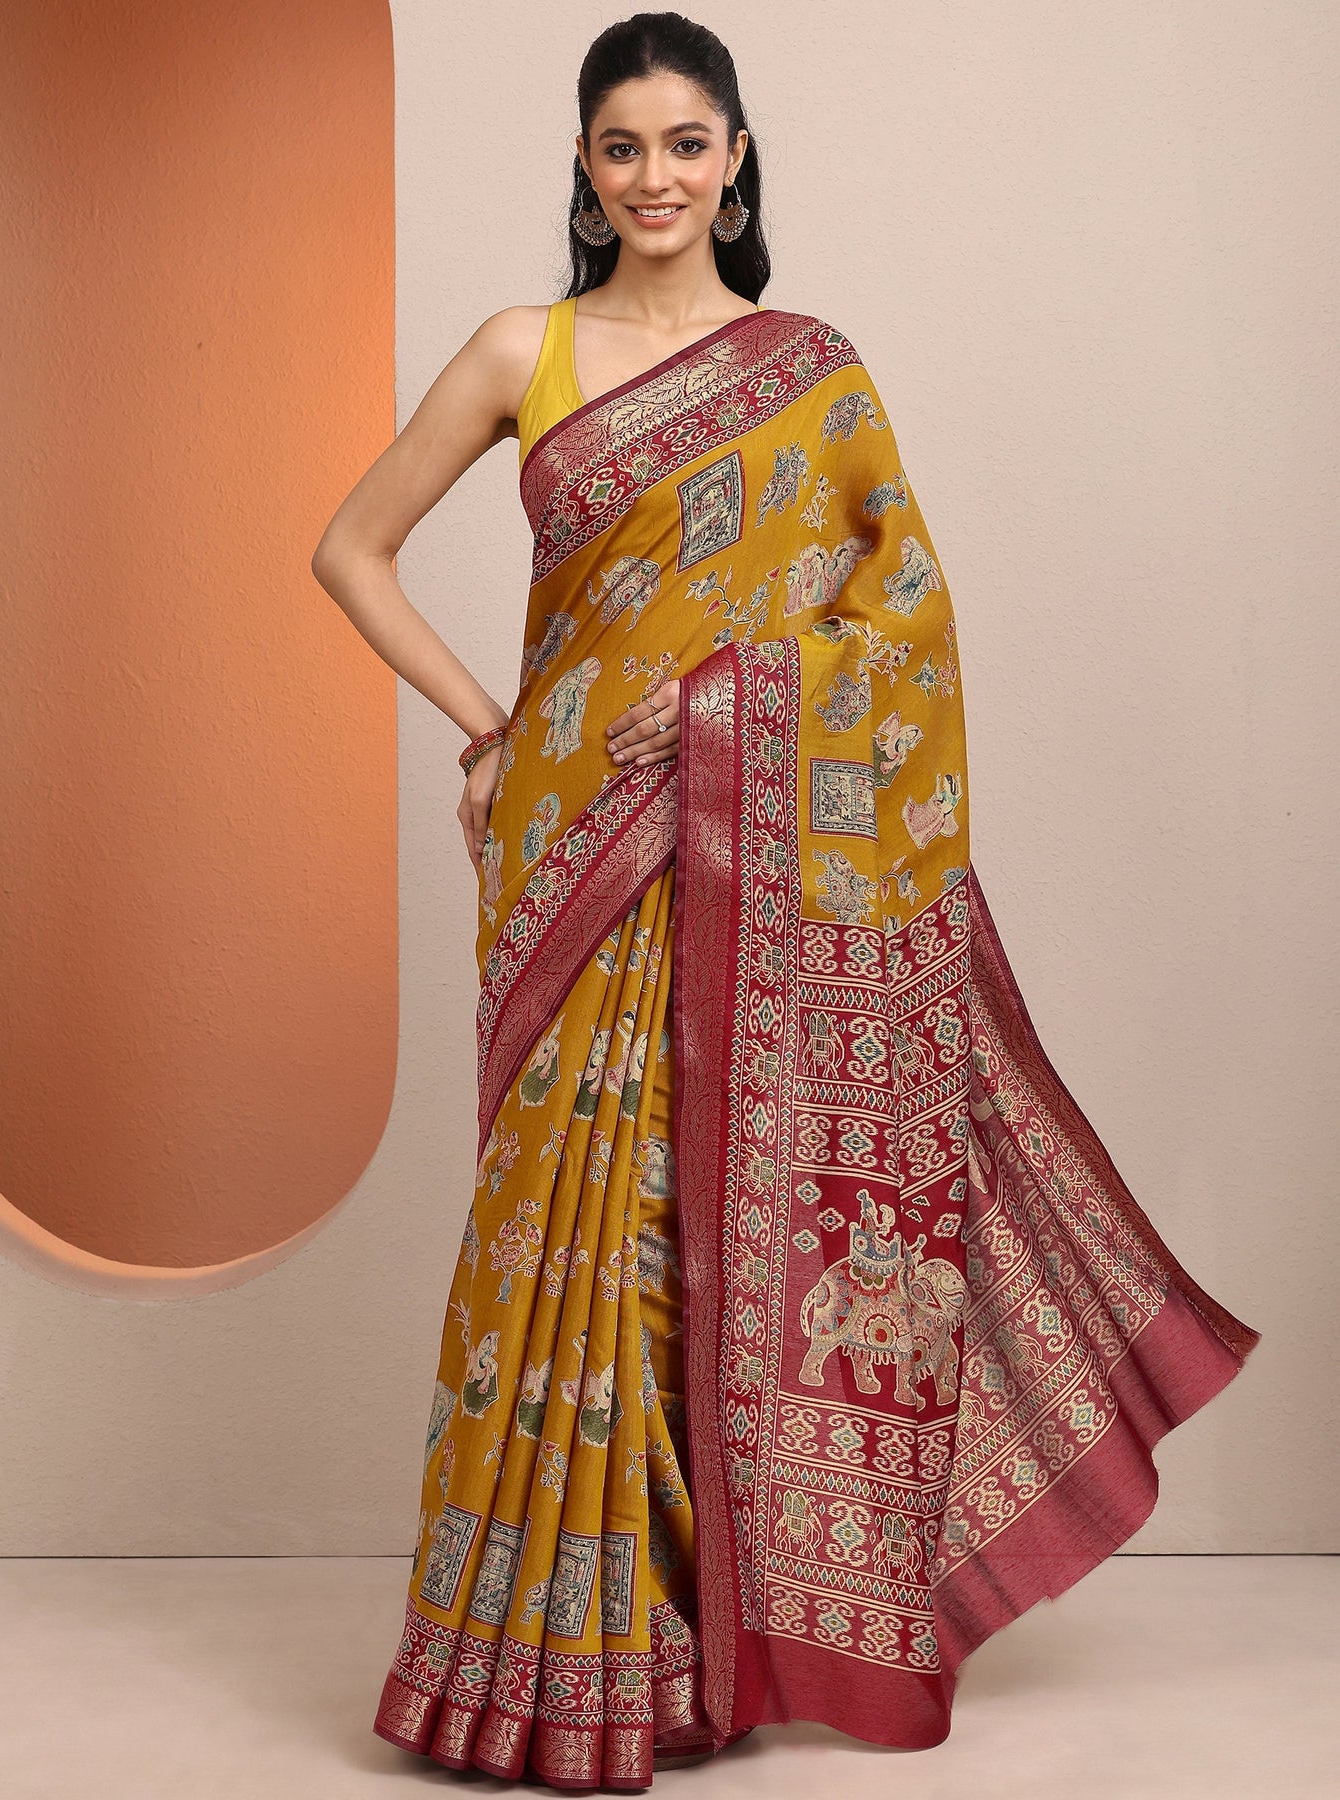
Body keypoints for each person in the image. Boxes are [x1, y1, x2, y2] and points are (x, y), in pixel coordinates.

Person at [311, 12, 1260, 1791]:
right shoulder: (521, 347)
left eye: (686, 143)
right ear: (581, 167)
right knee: (560, 1236)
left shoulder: (810, 371)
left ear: (734, 158)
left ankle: (692, 1650)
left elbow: (900, 623)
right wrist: (494, 730)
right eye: (620, 147)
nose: (654, 177)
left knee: (696, 1232)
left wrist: (724, 711)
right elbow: (346, 547)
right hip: (574, 843)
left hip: (744, 842)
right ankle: (545, 1657)